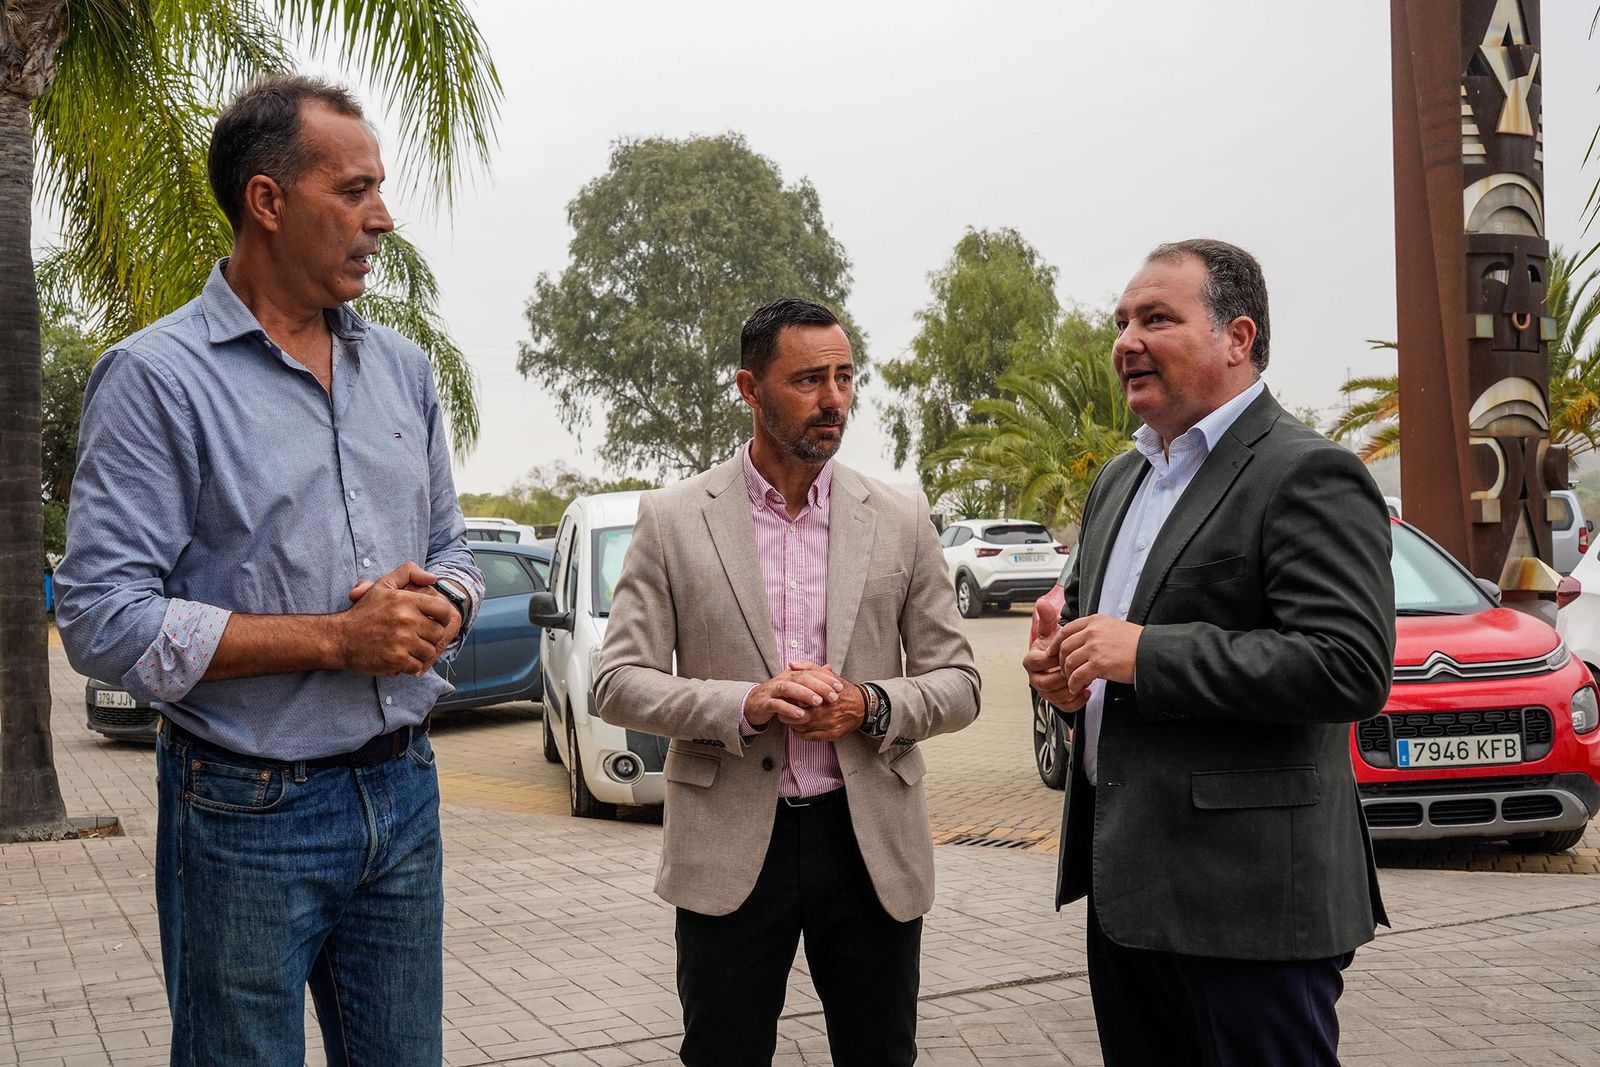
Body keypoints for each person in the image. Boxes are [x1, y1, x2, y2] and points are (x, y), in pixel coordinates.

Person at [54, 76, 483, 1066]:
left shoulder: (404, 371)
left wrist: (444, 611)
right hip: (245, 811)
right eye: (355, 190)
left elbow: (454, 552)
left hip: (404, 790)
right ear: (268, 199)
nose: (383, 218)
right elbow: (101, 616)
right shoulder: (158, 378)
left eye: (380, 190)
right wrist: (337, 639)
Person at [1023, 239, 1394, 1066]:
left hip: (1249, 906)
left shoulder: (1307, 471)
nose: (1127, 341)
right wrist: (1063, 677)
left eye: (1157, 318)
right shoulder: (1119, 480)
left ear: (1238, 337)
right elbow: (1091, 633)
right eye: (1122, 321)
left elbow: (1349, 664)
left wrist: (1145, 654)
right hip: (1127, 897)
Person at [595, 297, 981, 1066]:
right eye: (808, 380)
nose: (833, 399)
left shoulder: (901, 517)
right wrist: (745, 703)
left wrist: (869, 704)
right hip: (730, 842)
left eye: (844, 377)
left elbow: (962, 682)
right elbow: (618, 681)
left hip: (868, 841)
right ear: (750, 388)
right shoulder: (674, 519)